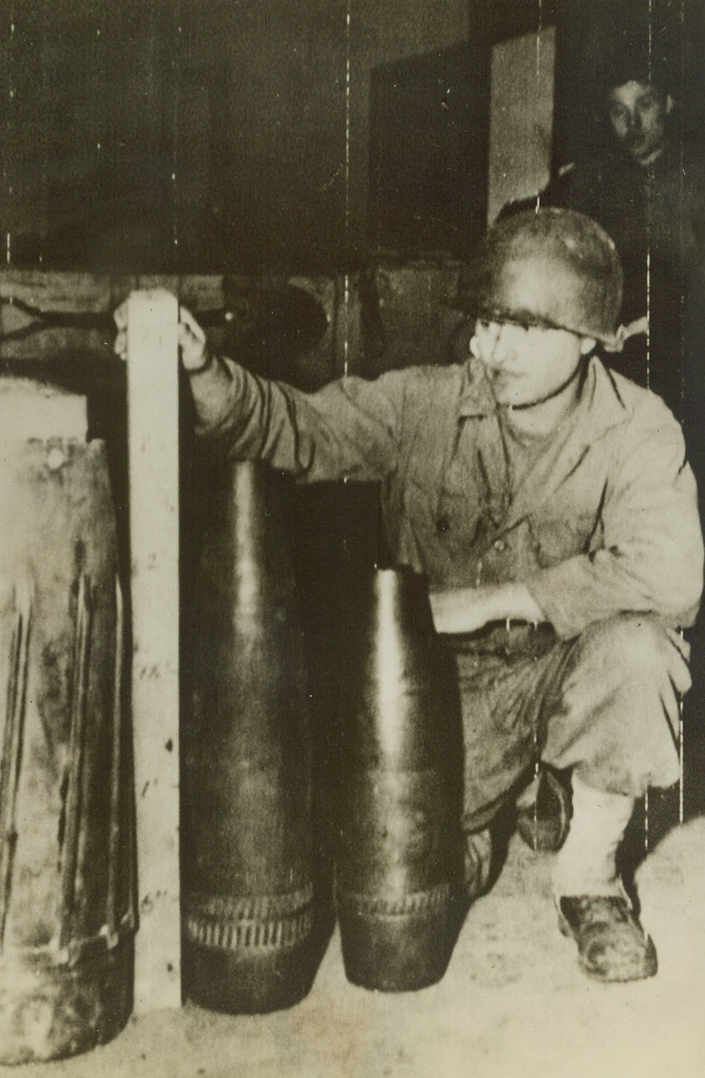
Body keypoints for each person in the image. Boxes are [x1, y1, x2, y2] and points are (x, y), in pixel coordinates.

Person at [117, 208, 702, 983]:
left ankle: (589, 878)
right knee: (398, 881)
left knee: (641, 654)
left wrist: (498, 599)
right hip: (424, 698)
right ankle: (515, 801)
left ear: (591, 336)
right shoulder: (423, 402)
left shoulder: (638, 430)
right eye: (486, 321)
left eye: (522, 326)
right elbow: (293, 428)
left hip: (552, 673)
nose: (489, 348)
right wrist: (201, 369)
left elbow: (673, 576)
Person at [541, 51, 705, 419]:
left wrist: (657, 320)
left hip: (685, 361)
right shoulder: (592, 179)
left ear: (668, 102)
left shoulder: (696, 175)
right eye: (618, 111)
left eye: (644, 104)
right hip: (610, 359)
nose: (632, 124)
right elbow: (535, 221)